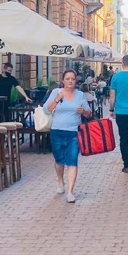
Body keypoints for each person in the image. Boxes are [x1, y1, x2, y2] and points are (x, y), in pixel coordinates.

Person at [44, 69, 92, 203]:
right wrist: (56, 100)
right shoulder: (56, 92)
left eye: (73, 79)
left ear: (76, 81)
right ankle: (60, 181)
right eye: (68, 79)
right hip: (57, 131)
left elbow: (89, 113)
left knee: (72, 160)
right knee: (59, 160)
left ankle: (70, 191)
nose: (70, 81)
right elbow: (46, 110)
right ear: (63, 81)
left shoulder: (80, 95)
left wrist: (83, 111)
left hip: (74, 133)